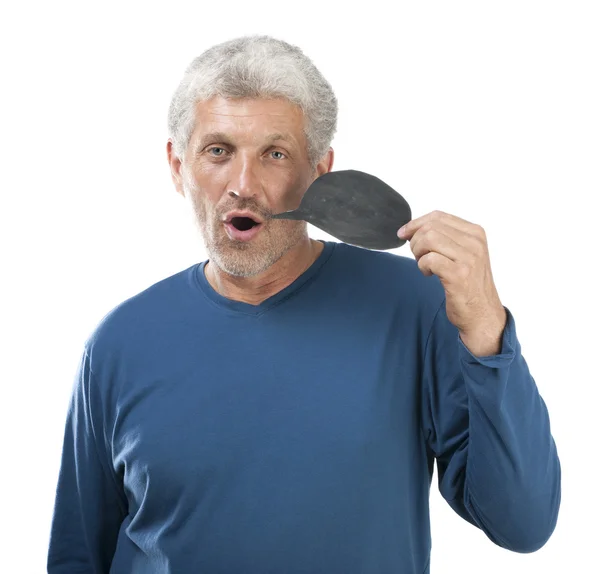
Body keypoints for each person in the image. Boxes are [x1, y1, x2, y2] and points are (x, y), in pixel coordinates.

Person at [47, 35, 561, 574]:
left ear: (320, 171)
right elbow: (78, 556)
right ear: (178, 166)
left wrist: (486, 328)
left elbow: (522, 524)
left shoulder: (415, 305)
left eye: (275, 154)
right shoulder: (118, 343)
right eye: (218, 151)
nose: (243, 186)